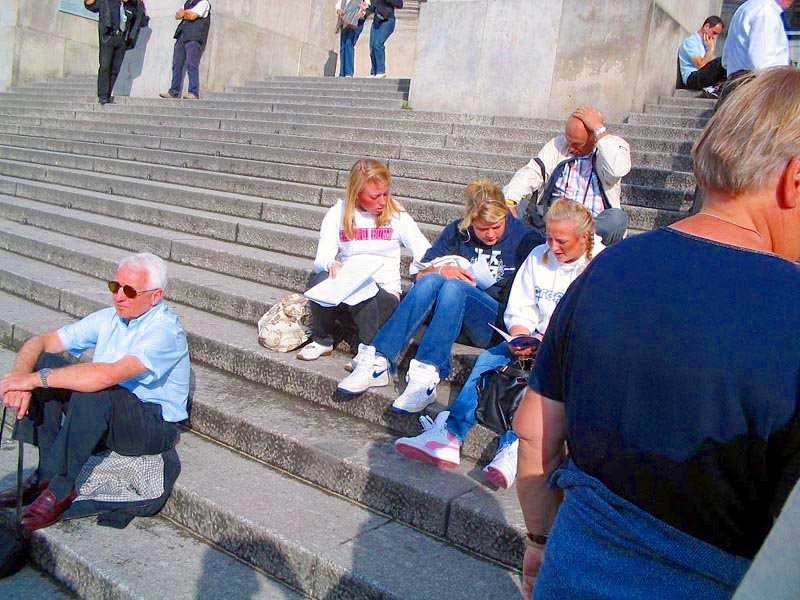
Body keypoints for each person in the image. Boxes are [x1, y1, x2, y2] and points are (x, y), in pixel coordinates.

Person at [513, 67, 800, 600]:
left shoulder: (606, 267)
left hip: (572, 564)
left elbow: (535, 432)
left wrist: (540, 540)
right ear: (794, 178)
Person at [394, 200, 603, 489]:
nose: (553, 247)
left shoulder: (601, 266)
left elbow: (596, 322)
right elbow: (521, 305)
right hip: (533, 338)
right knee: (488, 360)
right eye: (549, 238)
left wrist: (549, 341)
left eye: (562, 241)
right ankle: (450, 434)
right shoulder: (539, 255)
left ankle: (514, 446)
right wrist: (519, 334)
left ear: (584, 237)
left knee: (542, 378)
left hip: (570, 349)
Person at [0, 253, 190, 531]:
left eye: (129, 291)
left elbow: (106, 375)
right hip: (110, 410)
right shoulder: (109, 318)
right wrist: (20, 378)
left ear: (155, 296)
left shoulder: (165, 332)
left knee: (92, 388)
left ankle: (61, 489)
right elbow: (41, 341)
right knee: (46, 362)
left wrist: (34, 380)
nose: (119, 296)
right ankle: (46, 474)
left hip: (151, 424)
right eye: (115, 286)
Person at [337, 179, 544, 414]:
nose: (490, 234)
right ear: (470, 219)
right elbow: (419, 274)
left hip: (493, 324)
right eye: (481, 228)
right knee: (433, 280)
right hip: (450, 316)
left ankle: (427, 373)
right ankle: (380, 360)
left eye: (496, 226)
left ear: (505, 215)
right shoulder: (458, 231)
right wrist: (441, 270)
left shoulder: (527, 239)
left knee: (455, 287)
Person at [298, 159, 431, 361]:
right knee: (319, 279)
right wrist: (331, 264)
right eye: (375, 196)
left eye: (385, 194)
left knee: (364, 287)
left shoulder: (396, 213)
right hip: (347, 292)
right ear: (357, 193)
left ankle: (368, 349)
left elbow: (423, 249)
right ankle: (322, 340)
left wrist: (422, 273)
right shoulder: (338, 213)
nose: (383, 201)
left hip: (383, 296)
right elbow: (321, 258)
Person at [503, 106, 631, 246]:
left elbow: (616, 171)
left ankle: (572, 238)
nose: (570, 148)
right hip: (552, 219)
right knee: (508, 206)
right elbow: (532, 172)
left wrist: (599, 129)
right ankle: (560, 238)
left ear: (594, 138)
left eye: (576, 144)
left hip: (591, 225)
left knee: (617, 218)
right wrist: (510, 201)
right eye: (568, 141)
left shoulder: (614, 146)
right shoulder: (558, 144)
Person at [721, 0, 796, 101]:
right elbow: (762, 63)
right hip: (755, 90)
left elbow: (726, 59)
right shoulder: (765, 12)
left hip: (737, 85)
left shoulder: (748, 6)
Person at [84, 0, 148, 105]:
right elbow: (91, 6)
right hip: (109, 37)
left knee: (115, 69)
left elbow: (141, 22)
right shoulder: (108, 2)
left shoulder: (130, 8)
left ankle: (107, 95)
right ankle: (103, 95)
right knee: (105, 66)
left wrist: (142, 9)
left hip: (121, 40)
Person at [159, 0, 211, 100]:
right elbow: (177, 15)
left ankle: (193, 92)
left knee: (192, 64)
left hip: (194, 36)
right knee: (177, 64)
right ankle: (174, 91)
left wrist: (185, 13)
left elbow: (192, 16)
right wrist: (187, 13)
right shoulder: (188, 2)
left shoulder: (204, 2)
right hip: (182, 35)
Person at [678, 16, 727, 96]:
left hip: (700, 77)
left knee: (728, 63)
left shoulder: (705, 44)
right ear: (706, 26)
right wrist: (710, 50)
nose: (714, 37)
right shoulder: (691, 42)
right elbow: (700, 65)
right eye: (714, 33)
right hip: (691, 78)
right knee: (721, 61)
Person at [364, 0, 403, 78]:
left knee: (378, 44)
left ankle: (381, 71)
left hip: (388, 20)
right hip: (377, 20)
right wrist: (365, 11)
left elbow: (400, 4)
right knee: (372, 46)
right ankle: (374, 72)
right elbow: (374, 6)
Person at [336, 0, 370, 78]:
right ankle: (342, 73)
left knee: (349, 44)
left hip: (356, 22)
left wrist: (362, 13)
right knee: (343, 46)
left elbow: (367, 5)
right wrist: (338, 10)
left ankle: (348, 72)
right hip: (345, 21)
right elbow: (338, 4)